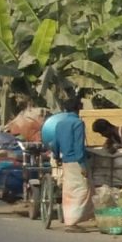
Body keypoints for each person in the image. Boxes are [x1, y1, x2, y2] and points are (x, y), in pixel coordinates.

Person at [40, 96, 90, 228]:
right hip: (76, 161)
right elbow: (79, 146)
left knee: (70, 191)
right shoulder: (78, 123)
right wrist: (82, 165)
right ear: (78, 108)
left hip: (66, 161)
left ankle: (70, 219)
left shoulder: (60, 124)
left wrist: (57, 156)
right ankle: (73, 222)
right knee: (82, 191)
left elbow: (54, 144)